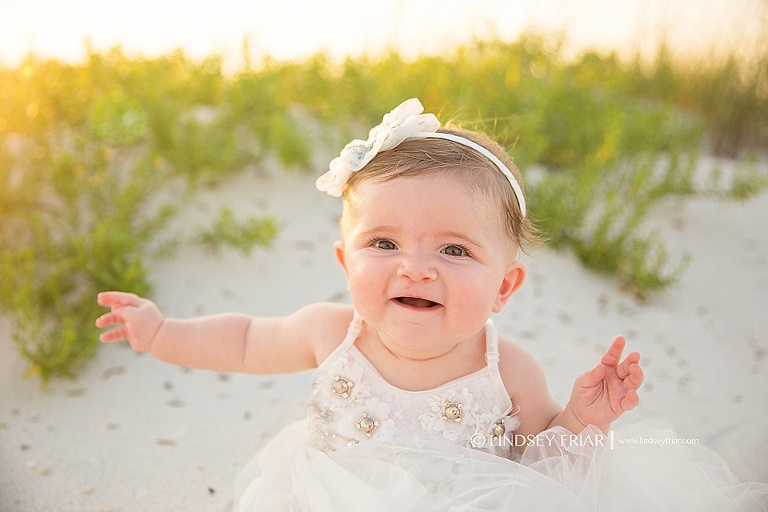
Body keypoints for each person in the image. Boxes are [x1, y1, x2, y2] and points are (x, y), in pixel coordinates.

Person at [96, 99, 766, 511]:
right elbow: (242, 340)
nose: (414, 266)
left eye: (453, 251)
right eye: (383, 242)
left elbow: (545, 464)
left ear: (505, 287)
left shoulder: (508, 370)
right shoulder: (329, 332)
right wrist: (161, 332)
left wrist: (584, 419)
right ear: (344, 262)